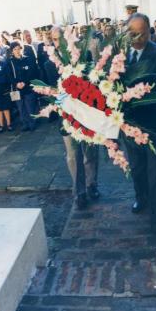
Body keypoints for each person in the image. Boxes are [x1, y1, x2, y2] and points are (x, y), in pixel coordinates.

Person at [122, 13, 156, 234]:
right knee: (137, 167)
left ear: (150, 31)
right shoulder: (119, 54)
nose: (138, 37)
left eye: (143, 32)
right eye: (133, 33)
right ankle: (141, 198)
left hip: (153, 124)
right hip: (128, 124)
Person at [54, 27, 100, 209]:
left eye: (61, 39)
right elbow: (49, 89)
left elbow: (93, 82)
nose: (59, 43)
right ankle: (79, 192)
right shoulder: (49, 61)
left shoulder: (85, 56)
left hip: (86, 114)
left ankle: (91, 185)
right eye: (55, 40)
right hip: (65, 117)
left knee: (90, 153)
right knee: (73, 156)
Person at [8, 41, 39, 132]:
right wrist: (16, 84)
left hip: (28, 87)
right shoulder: (9, 62)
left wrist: (25, 82)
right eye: (15, 49)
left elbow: (32, 73)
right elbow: (9, 75)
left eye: (19, 48)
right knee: (20, 107)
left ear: (22, 49)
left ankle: (32, 123)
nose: (17, 51)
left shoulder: (28, 59)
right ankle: (25, 123)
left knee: (30, 106)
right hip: (16, 89)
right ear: (12, 51)